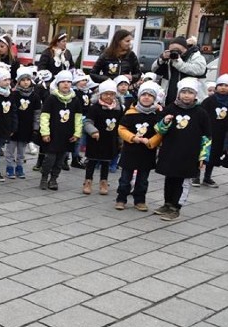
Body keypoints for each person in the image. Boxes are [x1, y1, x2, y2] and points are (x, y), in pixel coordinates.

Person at [154, 77, 211, 221]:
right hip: (170, 151)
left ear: (195, 95)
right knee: (169, 178)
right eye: (184, 92)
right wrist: (164, 122)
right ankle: (167, 203)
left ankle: (176, 207)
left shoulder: (201, 113)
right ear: (179, 93)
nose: (186, 95)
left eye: (190, 92)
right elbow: (159, 129)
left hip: (189, 154)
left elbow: (207, 136)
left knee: (181, 181)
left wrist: (203, 156)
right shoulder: (171, 108)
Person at [115, 81, 163, 211]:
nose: (146, 97)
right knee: (125, 178)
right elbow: (121, 128)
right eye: (144, 95)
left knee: (142, 180)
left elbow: (161, 131)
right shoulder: (131, 112)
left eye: (150, 95)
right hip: (130, 150)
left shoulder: (157, 115)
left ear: (154, 99)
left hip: (147, 152)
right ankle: (121, 198)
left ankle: (140, 200)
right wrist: (133, 138)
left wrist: (151, 141)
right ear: (139, 96)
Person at [39, 70, 83, 191]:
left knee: (60, 159)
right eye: (63, 82)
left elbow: (78, 117)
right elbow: (44, 116)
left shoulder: (75, 100)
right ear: (58, 83)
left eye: (68, 82)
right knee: (50, 158)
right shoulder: (51, 98)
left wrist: (77, 133)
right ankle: (44, 177)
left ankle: (53, 179)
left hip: (67, 135)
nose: (66, 84)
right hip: (53, 134)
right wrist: (45, 132)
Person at [82, 80, 123, 196]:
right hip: (96, 139)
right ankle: (88, 181)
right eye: (106, 94)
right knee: (92, 161)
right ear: (100, 95)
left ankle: (103, 181)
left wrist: (120, 139)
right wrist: (93, 131)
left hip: (110, 139)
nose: (109, 97)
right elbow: (88, 122)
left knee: (106, 163)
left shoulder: (118, 109)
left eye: (112, 94)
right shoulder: (95, 108)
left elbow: (120, 124)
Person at [151, 36, 207, 106]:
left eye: (177, 49)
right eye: (172, 50)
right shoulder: (169, 58)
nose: (175, 52)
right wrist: (162, 58)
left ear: (185, 49)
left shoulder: (195, 56)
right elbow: (154, 69)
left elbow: (199, 70)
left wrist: (178, 63)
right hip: (169, 101)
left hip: (191, 103)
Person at [7, 68, 41, 179]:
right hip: (14, 127)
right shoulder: (13, 94)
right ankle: (10, 167)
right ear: (18, 81)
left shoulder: (35, 96)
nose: (26, 82)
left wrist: (36, 128)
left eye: (28, 79)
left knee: (22, 151)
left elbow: (37, 113)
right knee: (11, 149)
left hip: (26, 127)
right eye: (23, 80)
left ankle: (19, 167)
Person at [200, 74, 228, 188]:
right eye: (220, 85)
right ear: (216, 87)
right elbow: (201, 115)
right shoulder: (209, 101)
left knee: (214, 155)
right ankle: (196, 175)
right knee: (202, 154)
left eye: (226, 85)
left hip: (221, 133)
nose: (223, 87)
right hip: (208, 132)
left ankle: (207, 177)